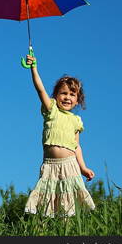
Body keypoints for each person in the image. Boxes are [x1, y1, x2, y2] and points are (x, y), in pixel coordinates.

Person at [24, 54, 95, 218]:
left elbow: (76, 146)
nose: (67, 97)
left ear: (77, 100)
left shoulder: (76, 120)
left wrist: (83, 167)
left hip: (70, 165)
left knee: (67, 203)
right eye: (63, 93)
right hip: (50, 166)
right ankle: (40, 230)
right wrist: (33, 68)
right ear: (55, 95)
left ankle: (65, 231)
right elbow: (40, 88)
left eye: (72, 94)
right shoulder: (51, 109)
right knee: (46, 202)